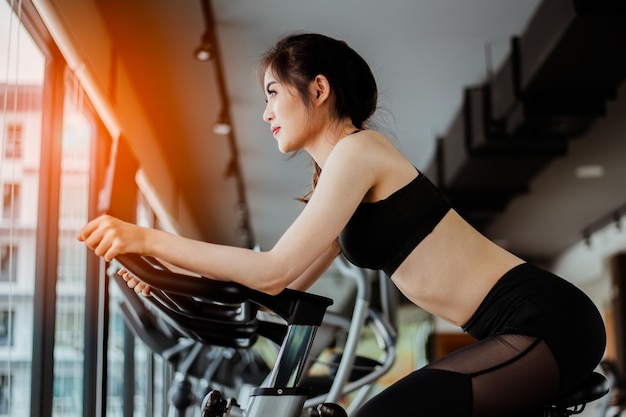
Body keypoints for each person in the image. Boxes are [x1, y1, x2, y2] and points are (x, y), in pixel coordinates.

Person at [77, 32, 606, 416]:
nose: (265, 112)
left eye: (272, 92)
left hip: (545, 322)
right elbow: (282, 289)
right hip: (511, 330)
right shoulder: (340, 175)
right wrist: (160, 270)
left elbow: (273, 270)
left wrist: (147, 236)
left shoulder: (360, 152)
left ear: (319, 88)